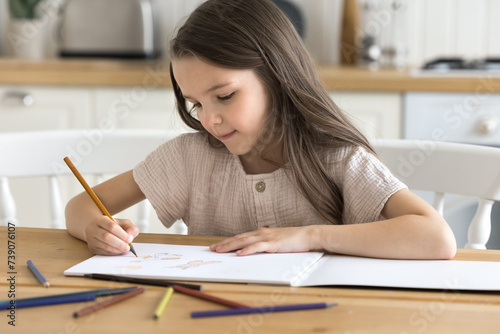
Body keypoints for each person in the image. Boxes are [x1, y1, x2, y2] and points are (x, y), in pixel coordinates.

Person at [65, 0, 456, 260]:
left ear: (276, 77)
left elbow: (436, 237)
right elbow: (80, 206)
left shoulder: (337, 158)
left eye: (225, 96)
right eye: (196, 104)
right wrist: (95, 229)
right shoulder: (189, 158)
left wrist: (311, 236)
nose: (208, 120)